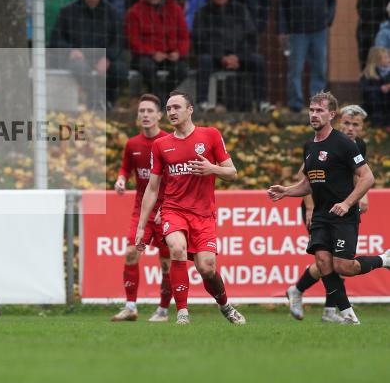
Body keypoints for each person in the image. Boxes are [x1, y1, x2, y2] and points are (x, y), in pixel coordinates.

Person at [268, 91, 389, 325]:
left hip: (343, 215)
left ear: (331, 114)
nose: (314, 115)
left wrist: (347, 203)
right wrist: (286, 191)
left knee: (343, 266)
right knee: (323, 263)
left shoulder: (344, 143)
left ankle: (383, 260)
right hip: (322, 215)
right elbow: (307, 184)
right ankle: (347, 315)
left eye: (319, 111)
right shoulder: (309, 146)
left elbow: (367, 177)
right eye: (312, 110)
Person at [135, 91, 246, 325]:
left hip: (203, 215)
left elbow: (232, 173)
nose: (172, 112)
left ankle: (224, 305)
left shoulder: (211, 136)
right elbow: (152, 189)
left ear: (190, 110)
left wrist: (212, 169)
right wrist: (141, 226)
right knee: (176, 248)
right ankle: (182, 313)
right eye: (168, 108)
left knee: (207, 268)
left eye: (176, 107)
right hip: (174, 209)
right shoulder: (161, 145)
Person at [287, 104, 371, 323]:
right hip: (317, 206)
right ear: (337, 120)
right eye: (347, 123)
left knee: (334, 261)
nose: (350, 128)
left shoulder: (357, 145)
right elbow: (306, 178)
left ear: (362, 128)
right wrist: (310, 208)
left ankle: (326, 308)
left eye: (356, 125)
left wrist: (361, 196)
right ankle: (307, 296)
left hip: (341, 205)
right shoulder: (323, 141)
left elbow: (359, 175)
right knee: (326, 260)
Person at [111, 94, 172, 322]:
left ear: (159, 115)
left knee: (166, 263)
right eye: (141, 111)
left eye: (149, 111)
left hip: (167, 209)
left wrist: (165, 207)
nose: (145, 115)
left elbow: (176, 179)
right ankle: (130, 307)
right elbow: (126, 168)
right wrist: (120, 180)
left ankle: (163, 310)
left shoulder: (169, 142)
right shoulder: (132, 144)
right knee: (131, 253)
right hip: (142, 210)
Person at [192, 0, 269, 112]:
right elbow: (199, 41)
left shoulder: (241, 10)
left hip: (239, 57)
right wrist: (221, 57)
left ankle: (262, 103)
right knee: (203, 60)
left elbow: (251, 38)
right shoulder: (202, 13)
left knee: (258, 60)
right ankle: (202, 103)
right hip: (214, 57)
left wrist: (238, 57)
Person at [51, 0, 126, 110]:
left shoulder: (112, 13)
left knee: (119, 70)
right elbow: (56, 39)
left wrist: (108, 57)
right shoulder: (67, 11)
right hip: (77, 57)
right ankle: (96, 99)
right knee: (80, 67)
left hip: (103, 57)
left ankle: (108, 100)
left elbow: (119, 40)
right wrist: (70, 50)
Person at [279, 0, 336, 112]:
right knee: (295, 69)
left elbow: (332, 1)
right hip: (297, 31)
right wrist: (283, 29)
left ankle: (317, 105)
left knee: (319, 68)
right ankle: (295, 104)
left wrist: (328, 20)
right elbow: (282, 5)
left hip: (319, 30)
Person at [125, 0, 190, 102]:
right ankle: (160, 100)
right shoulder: (134, 12)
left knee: (182, 69)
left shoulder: (175, 9)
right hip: (146, 55)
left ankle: (161, 98)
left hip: (170, 54)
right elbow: (134, 41)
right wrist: (152, 53)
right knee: (146, 66)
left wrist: (178, 52)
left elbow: (184, 36)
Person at [359, 46, 390, 126]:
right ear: (377, 60)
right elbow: (365, 91)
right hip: (374, 112)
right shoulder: (368, 75)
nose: (389, 60)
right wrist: (380, 89)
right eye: (386, 57)